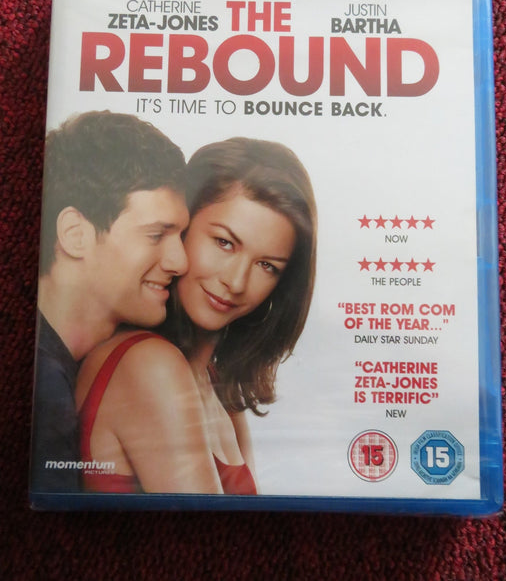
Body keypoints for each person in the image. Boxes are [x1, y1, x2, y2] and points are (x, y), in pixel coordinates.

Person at [76, 137, 317, 495]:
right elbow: (212, 529)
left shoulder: (218, 388)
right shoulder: (149, 364)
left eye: (266, 265)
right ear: (182, 228)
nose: (236, 282)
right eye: (224, 242)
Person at [31, 111, 189, 493]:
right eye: (156, 235)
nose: (181, 262)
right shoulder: (41, 387)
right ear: (75, 234)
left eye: (181, 237)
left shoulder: (59, 367)